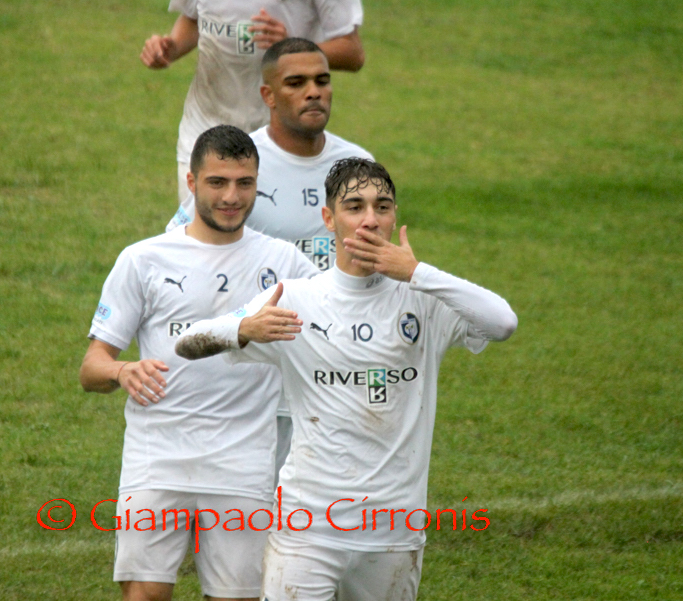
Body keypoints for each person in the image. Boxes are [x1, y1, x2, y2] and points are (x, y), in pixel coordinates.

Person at [176, 158, 518, 601]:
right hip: (307, 528)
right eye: (355, 207)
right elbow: (187, 343)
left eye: (382, 207)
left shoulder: (424, 300)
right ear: (328, 218)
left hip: (393, 530)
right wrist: (243, 329)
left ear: (394, 217)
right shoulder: (294, 298)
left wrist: (416, 273)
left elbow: (503, 322)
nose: (370, 219)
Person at [79, 125, 317, 601]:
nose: (231, 197)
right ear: (191, 182)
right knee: (145, 594)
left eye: (245, 183)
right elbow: (91, 367)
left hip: (244, 459)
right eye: (217, 182)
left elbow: (337, 319)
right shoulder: (144, 259)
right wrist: (122, 371)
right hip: (157, 456)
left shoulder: (286, 263)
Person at [168, 36, 374, 483]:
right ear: (268, 95)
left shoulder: (357, 164)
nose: (314, 92)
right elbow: (180, 248)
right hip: (254, 373)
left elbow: (371, 260)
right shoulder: (241, 168)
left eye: (322, 80)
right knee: (250, 499)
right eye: (296, 83)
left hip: (333, 362)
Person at [140, 0, 365, 201]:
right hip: (203, 131)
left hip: (280, 142)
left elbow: (353, 52)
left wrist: (292, 47)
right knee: (204, 228)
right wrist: (171, 48)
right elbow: (194, 19)